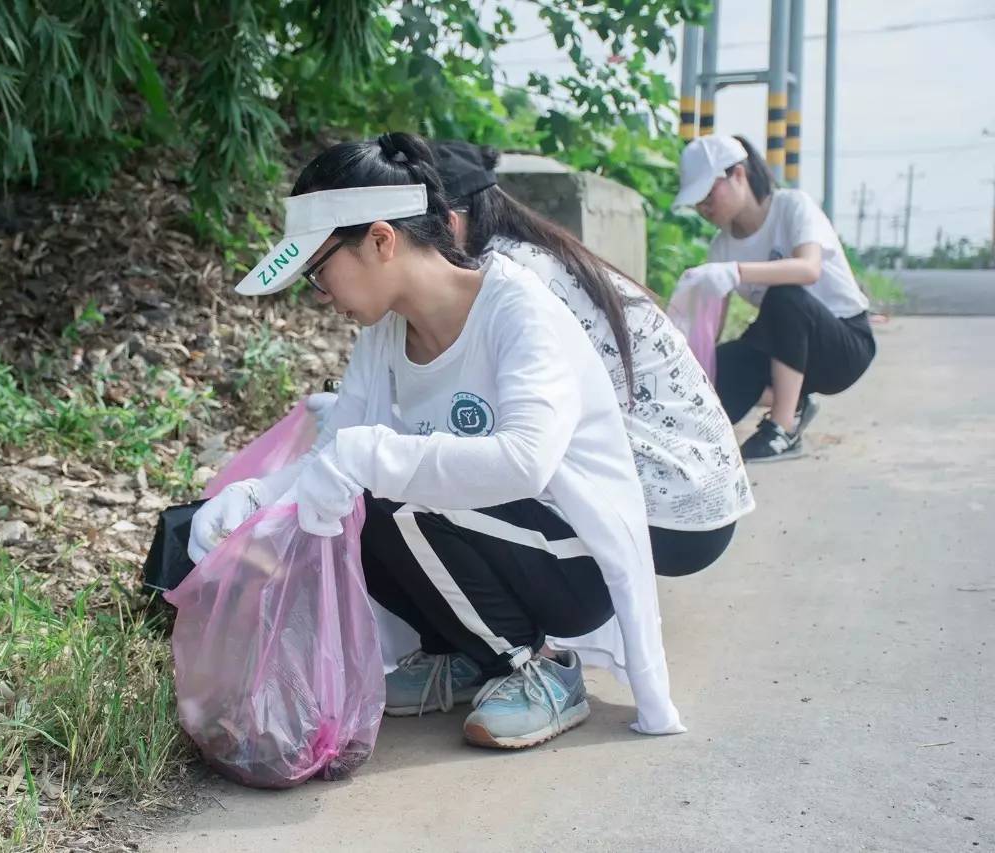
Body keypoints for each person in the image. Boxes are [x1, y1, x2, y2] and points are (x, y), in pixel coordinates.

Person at [187, 132, 684, 748]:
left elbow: (525, 462)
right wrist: (256, 497)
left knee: (392, 497)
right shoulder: (384, 333)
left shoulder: (517, 312)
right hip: (489, 541)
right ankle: (461, 654)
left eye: (320, 275)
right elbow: (336, 449)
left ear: (380, 240)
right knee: (358, 500)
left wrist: (367, 456)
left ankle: (537, 668)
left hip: (570, 562)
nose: (323, 299)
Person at [430, 141, 753, 579]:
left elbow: (509, 439)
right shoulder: (527, 253)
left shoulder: (504, 277)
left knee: (442, 488)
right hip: (702, 495)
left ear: (449, 222)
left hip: (671, 514)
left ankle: (532, 637)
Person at [673, 134, 876, 462]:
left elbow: (809, 270)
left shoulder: (792, 206)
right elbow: (713, 332)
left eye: (708, 194)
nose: (703, 208)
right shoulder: (720, 248)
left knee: (785, 297)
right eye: (697, 201)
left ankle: (782, 428)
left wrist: (737, 271)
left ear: (738, 174)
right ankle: (792, 400)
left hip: (843, 347)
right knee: (719, 368)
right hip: (785, 354)